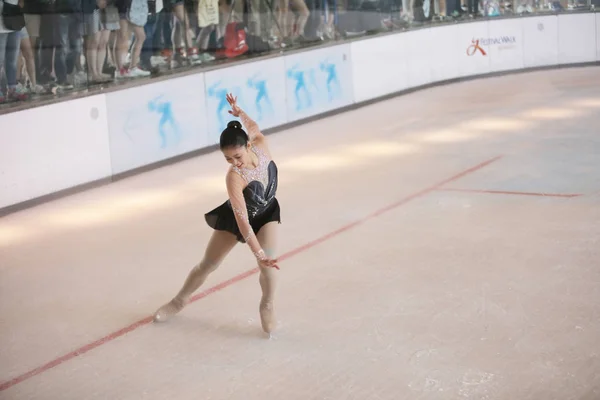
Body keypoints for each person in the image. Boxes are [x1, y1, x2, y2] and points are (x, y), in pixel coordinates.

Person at [153, 93, 282, 337]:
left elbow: (253, 127)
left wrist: (240, 112)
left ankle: (267, 304)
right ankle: (180, 300)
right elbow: (243, 221)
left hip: (266, 212)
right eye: (227, 158)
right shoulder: (234, 177)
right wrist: (258, 252)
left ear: (248, 146)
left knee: (269, 267)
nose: (235, 162)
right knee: (208, 265)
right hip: (238, 219)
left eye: (238, 156)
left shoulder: (261, 145)